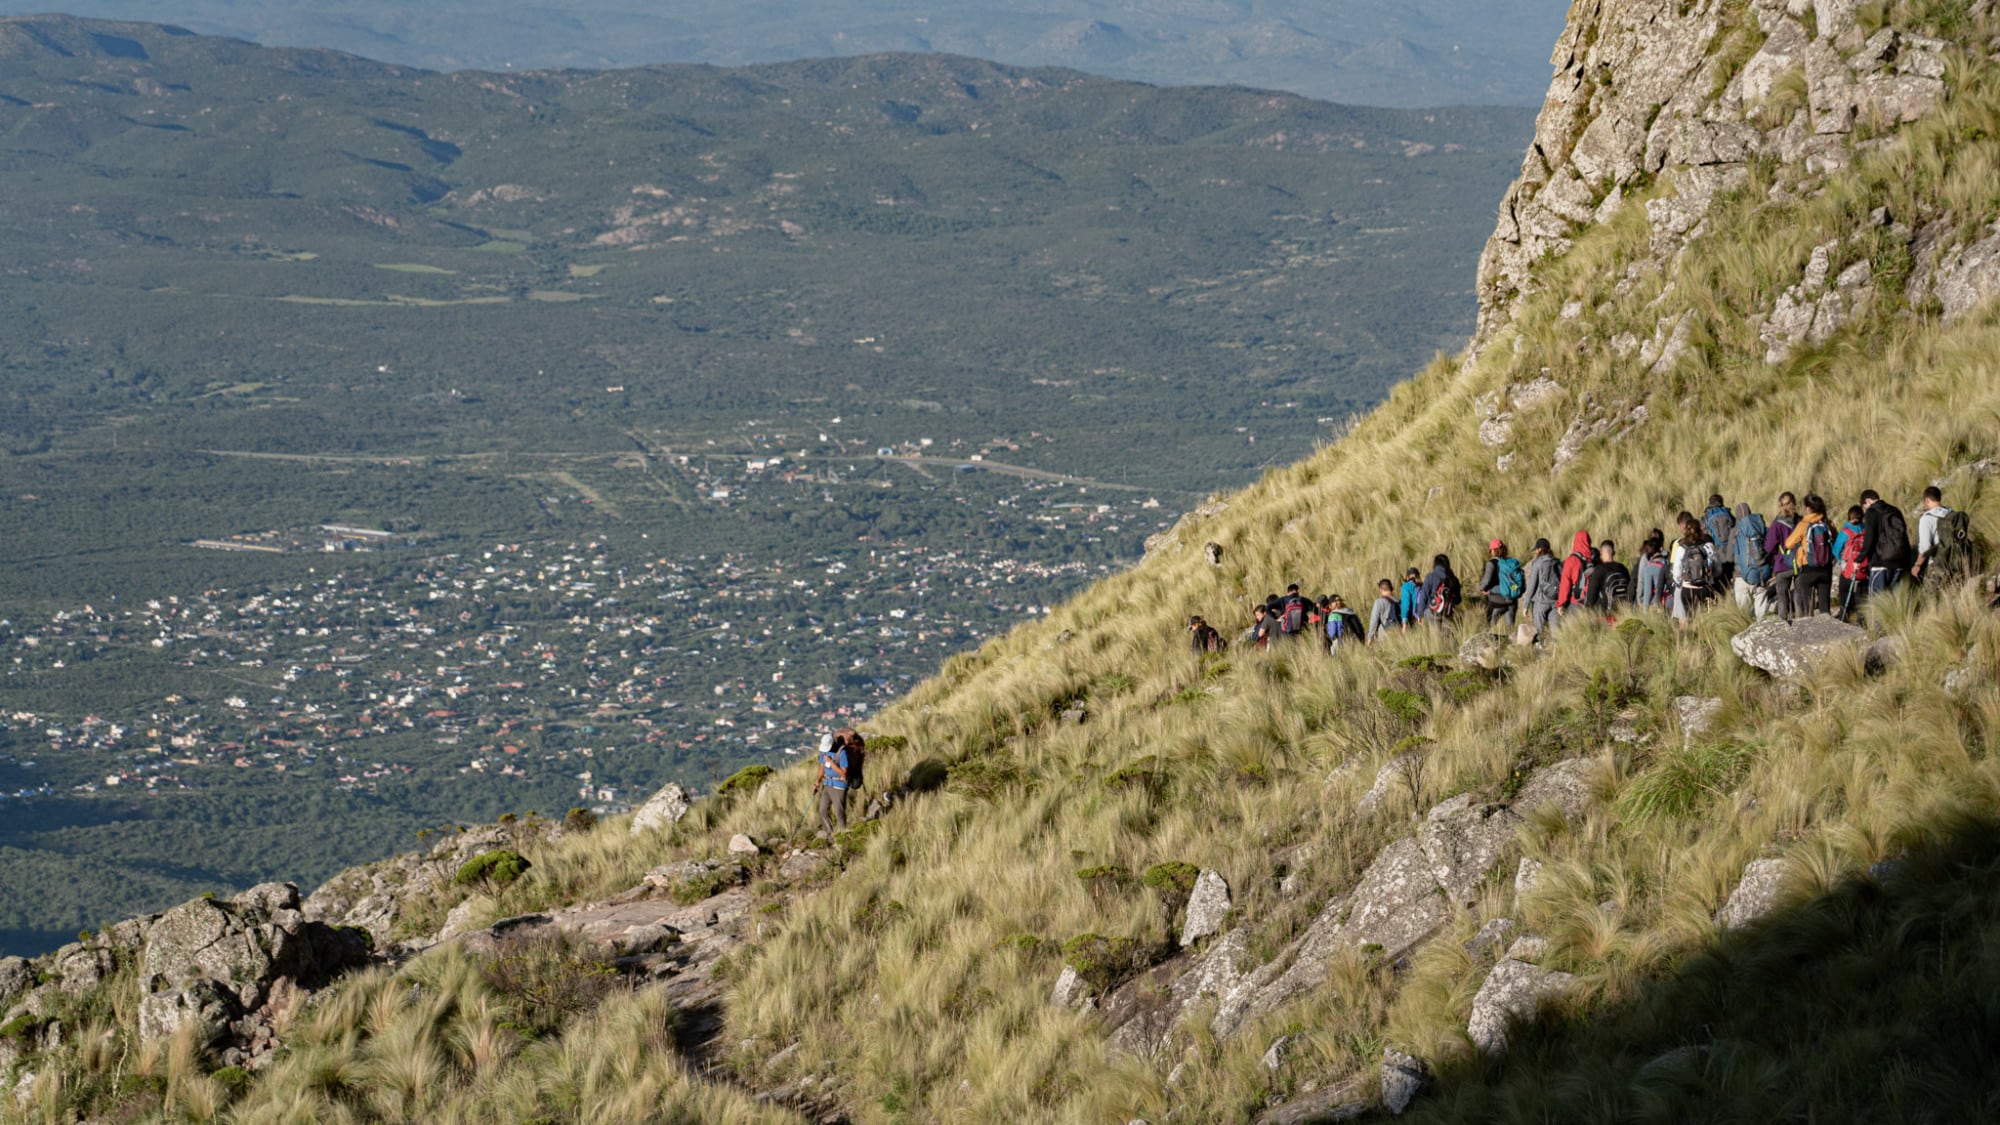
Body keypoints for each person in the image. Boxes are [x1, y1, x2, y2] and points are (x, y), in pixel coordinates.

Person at [1783, 493, 1836, 618]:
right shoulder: (1828, 523)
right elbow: (1835, 539)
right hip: (1825, 568)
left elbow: (1788, 543)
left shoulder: (1803, 524)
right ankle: (1828, 632)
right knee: (1824, 607)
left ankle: (1809, 634)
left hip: (1808, 568)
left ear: (1808, 508)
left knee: (1807, 607)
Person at [1913, 485, 1975, 586]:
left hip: (1938, 564)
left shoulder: (1926, 519)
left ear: (1927, 500)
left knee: (1932, 599)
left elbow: (1925, 547)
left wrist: (1918, 565)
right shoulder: (1953, 514)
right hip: (1959, 562)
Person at [1857, 488, 1912, 595]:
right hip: (1899, 563)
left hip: (1880, 563)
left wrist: (1859, 559)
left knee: (1876, 602)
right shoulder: (1895, 510)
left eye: (1864, 507)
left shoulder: (1871, 512)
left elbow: (1869, 538)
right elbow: (1904, 536)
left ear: (1867, 501)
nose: (1865, 510)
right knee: (1894, 601)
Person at [1730, 502, 1772, 619]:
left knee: (1744, 616)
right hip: (1762, 574)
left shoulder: (1734, 532)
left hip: (1742, 576)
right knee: (1762, 616)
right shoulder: (1761, 528)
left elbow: (1728, 557)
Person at [1671, 514, 1716, 623]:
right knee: (1706, 619)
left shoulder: (1681, 548)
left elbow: (1676, 570)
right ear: (1700, 530)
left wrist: (1679, 582)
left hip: (1687, 588)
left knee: (1687, 619)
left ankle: (1688, 638)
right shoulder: (1708, 546)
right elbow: (1716, 567)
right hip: (1705, 588)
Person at [1765, 492, 1799, 624]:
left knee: (1782, 597)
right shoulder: (1800, 521)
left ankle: (1784, 624)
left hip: (1782, 564)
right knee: (1799, 595)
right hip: (1800, 563)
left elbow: (1769, 547)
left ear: (1780, 505)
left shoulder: (1776, 525)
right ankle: (1803, 622)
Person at [814, 731, 850, 842]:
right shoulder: (823, 752)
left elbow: (843, 773)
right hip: (827, 784)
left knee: (839, 812)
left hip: (839, 785)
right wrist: (817, 781)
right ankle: (831, 836)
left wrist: (831, 762)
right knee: (823, 811)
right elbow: (822, 767)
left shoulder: (842, 752)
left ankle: (843, 837)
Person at [1523, 537, 1561, 640]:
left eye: (1536, 549)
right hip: (1555, 602)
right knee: (1556, 634)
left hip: (1540, 602)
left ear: (1539, 549)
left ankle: (1539, 653)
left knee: (1539, 633)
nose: (1535, 551)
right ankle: (1556, 653)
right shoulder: (1557, 562)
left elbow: (1532, 585)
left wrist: (1526, 605)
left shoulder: (1537, 563)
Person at [1479, 539, 1523, 627]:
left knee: (1490, 626)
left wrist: (1483, 589)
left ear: (1492, 551)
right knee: (1510, 628)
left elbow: (1486, 581)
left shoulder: (1491, 563)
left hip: (1497, 600)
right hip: (1511, 600)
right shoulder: (1511, 562)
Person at [1834, 505, 1868, 619]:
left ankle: (1844, 616)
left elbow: (1836, 550)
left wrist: (1842, 562)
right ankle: (1862, 621)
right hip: (1863, 570)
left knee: (1844, 594)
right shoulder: (1866, 530)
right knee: (1862, 598)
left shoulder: (1845, 532)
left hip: (1848, 570)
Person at [1581, 539, 1632, 613]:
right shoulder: (1623, 568)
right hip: (1624, 611)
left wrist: (1586, 610)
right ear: (1613, 553)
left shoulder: (1599, 570)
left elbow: (1591, 596)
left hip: (1606, 613)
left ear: (1601, 552)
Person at [1703, 494, 1737, 589]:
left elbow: (1705, 536)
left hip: (1716, 552)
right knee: (1730, 577)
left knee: (1719, 580)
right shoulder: (1728, 514)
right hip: (1731, 552)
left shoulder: (1707, 516)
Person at [1556, 531, 1593, 618]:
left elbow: (1565, 584)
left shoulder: (1572, 560)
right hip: (1593, 602)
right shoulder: (1594, 559)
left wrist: (1561, 603)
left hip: (1576, 603)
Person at [1418, 554, 1461, 624]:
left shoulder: (1430, 577)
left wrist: (1421, 613)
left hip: (1432, 613)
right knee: (1447, 635)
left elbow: (1423, 596)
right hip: (1448, 613)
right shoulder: (1454, 579)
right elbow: (1458, 600)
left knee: (1434, 634)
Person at [1634, 530, 1670, 611]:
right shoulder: (1667, 562)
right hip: (1669, 599)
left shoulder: (1649, 568)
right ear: (1661, 549)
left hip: (1656, 603)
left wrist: (1644, 610)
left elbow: (1648, 592)